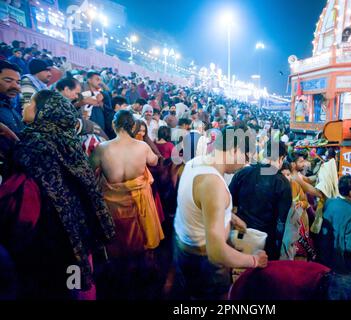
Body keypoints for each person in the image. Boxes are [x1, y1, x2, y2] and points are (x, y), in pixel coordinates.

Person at [12, 90, 115, 299]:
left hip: (49, 233)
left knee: (54, 286)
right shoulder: (67, 139)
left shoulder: (35, 143)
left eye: (30, 102)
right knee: (75, 284)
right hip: (77, 229)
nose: (24, 106)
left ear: (45, 111)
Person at [173, 126, 268, 300]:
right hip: (204, 262)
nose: (244, 164)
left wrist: (228, 215)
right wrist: (254, 260)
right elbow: (216, 252)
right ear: (234, 150)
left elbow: (196, 202)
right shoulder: (213, 184)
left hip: (183, 248)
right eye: (245, 157)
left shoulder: (196, 162)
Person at [90, 110, 163, 259]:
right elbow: (154, 161)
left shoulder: (102, 148)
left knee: (119, 239)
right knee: (141, 238)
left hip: (114, 204)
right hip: (139, 199)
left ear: (113, 124)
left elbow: (88, 170)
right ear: (133, 126)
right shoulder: (142, 146)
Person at [229, 140, 292, 260]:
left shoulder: (243, 172)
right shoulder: (282, 183)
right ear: (281, 158)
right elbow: (282, 221)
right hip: (265, 242)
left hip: (240, 236)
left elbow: (228, 203)